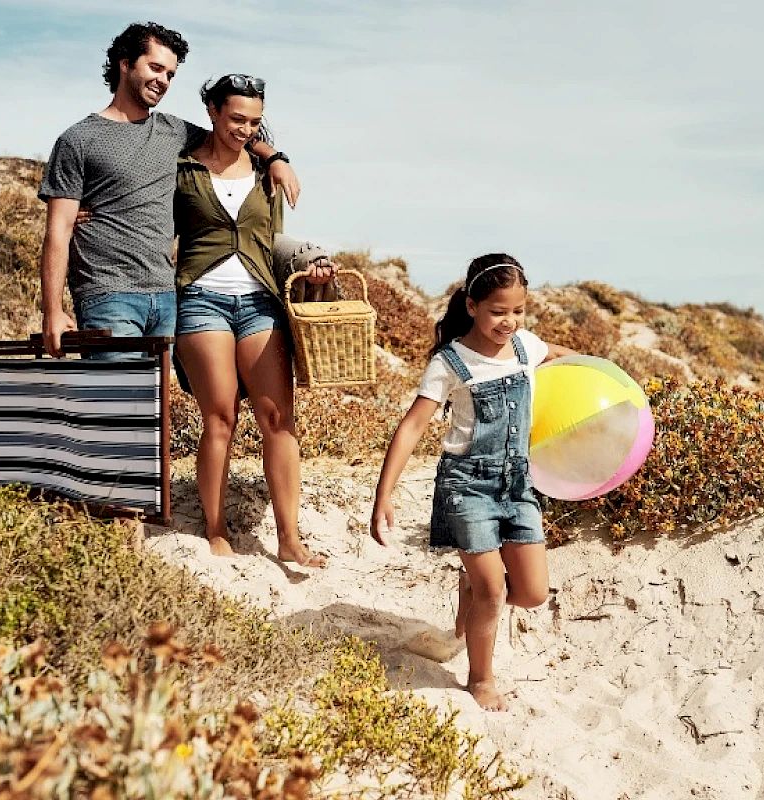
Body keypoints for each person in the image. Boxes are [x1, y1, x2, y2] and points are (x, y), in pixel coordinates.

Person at [369, 254, 576, 711]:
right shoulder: (450, 362)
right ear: (471, 305)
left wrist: (603, 375)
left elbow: (563, 359)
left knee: (534, 594)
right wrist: (384, 495)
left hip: (518, 487)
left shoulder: (527, 347)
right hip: (467, 486)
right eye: (498, 311)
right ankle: (480, 679)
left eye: (518, 310)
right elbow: (412, 426)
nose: (509, 321)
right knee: (494, 590)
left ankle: (471, 587)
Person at [37, 22, 300, 358]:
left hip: (166, 296)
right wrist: (53, 311)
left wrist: (276, 158)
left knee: (155, 407)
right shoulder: (78, 140)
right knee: (119, 402)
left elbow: (233, 133)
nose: (163, 80)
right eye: (155, 67)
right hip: (108, 293)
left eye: (170, 74)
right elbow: (57, 230)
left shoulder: (173, 131)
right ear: (125, 63)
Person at [172, 73, 335, 568]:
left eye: (254, 122)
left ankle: (289, 537)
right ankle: (215, 528)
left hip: (260, 301)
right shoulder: (181, 169)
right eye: (235, 118)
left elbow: (274, 241)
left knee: (278, 419)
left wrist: (310, 267)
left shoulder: (269, 171)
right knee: (219, 418)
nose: (244, 129)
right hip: (201, 299)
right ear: (213, 113)